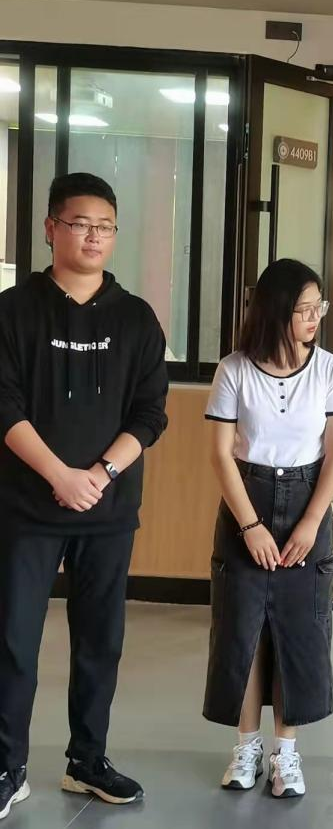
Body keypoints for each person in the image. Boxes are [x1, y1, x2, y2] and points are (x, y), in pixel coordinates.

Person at [0, 173, 169, 819]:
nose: (93, 237)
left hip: (108, 511)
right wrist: (59, 475)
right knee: (13, 641)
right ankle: (8, 766)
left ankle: (87, 761)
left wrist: (99, 473)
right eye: (79, 224)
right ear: (51, 229)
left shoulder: (135, 318)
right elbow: (4, 406)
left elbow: (150, 413)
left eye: (105, 227)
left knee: (100, 642)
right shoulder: (13, 311)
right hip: (26, 509)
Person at [202, 259, 333, 799]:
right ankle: (246, 747)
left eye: (318, 307)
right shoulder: (234, 370)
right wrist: (250, 526)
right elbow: (221, 454)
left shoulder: (330, 370)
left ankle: (285, 753)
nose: (315, 317)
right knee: (241, 629)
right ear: (275, 310)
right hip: (247, 500)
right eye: (304, 309)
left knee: (299, 631)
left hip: (307, 502)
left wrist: (312, 522)